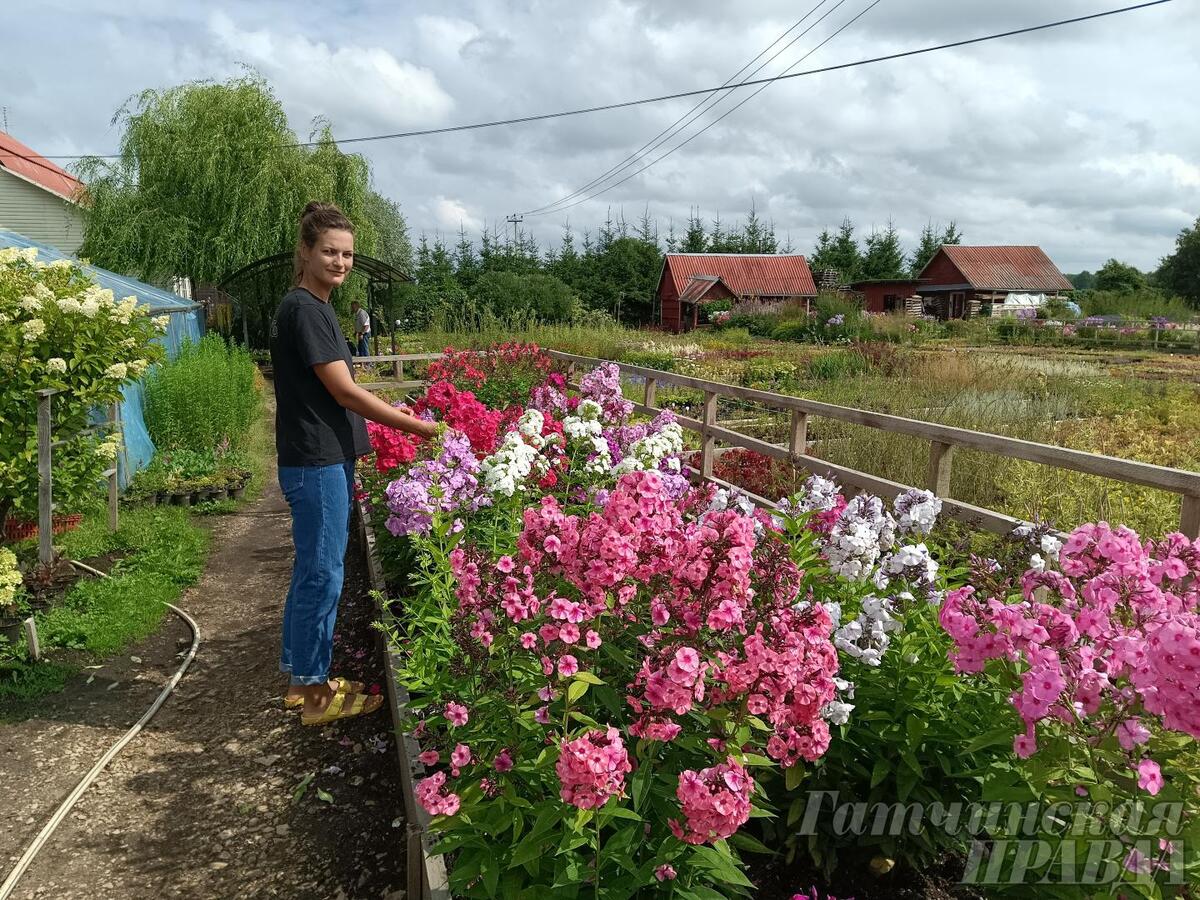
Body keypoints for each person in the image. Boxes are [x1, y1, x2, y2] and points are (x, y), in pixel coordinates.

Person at [271, 201, 437, 726]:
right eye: (329, 252)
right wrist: (417, 427)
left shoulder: (314, 306)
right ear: (304, 251)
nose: (340, 262)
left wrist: (394, 409)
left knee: (314, 572)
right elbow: (343, 391)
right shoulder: (305, 310)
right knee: (322, 575)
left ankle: (305, 679)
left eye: (347, 254)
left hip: (319, 457)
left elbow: (338, 387)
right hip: (317, 461)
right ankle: (314, 696)